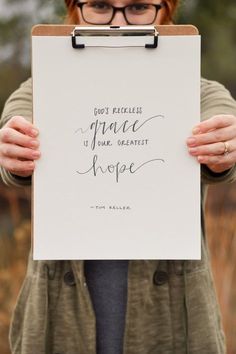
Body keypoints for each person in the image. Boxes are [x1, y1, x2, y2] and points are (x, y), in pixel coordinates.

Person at [0, 0, 236, 353]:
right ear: (75, 10)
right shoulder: (39, 91)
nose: (117, 22)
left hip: (173, 323)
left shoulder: (201, 92)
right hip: (59, 321)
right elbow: (13, 131)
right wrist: (13, 151)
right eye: (100, 6)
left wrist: (223, 148)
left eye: (138, 7)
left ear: (166, 12)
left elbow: (223, 126)